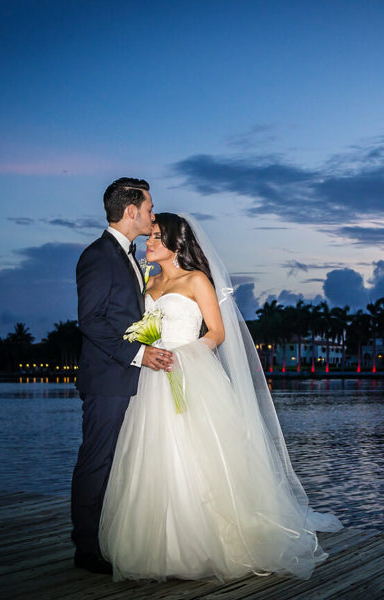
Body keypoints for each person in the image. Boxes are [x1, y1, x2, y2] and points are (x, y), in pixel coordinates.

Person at [99, 213, 342, 582]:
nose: (147, 243)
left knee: (197, 453)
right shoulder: (150, 279)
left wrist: (186, 355)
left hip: (189, 372)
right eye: (149, 237)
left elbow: (217, 332)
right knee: (155, 454)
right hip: (151, 379)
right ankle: (162, 547)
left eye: (156, 237)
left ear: (175, 245)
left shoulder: (197, 280)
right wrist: (146, 347)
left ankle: (208, 541)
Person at [71, 178, 174, 574]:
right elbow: (91, 321)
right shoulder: (98, 256)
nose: (152, 214)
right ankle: (85, 547)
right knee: (97, 460)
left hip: (131, 378)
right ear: (130, 211)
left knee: (122, 463)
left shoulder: (129, 256)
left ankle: (111, 537)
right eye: (149, 208)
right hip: (107, 379)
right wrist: (139, 354)